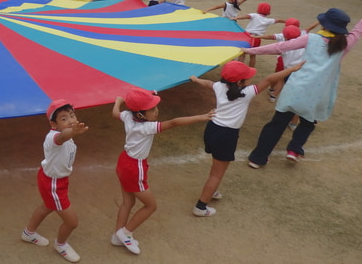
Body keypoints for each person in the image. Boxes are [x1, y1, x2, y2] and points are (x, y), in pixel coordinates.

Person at [244, 8, 362, 168]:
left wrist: (250, 50)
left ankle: (257, 158)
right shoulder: (345, 44)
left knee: (276, 125)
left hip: (296, 89)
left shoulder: (311, 38)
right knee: (308, 123)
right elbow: (358, 30)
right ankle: (294, 149)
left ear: (323, 24)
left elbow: (279, 47)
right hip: (318, 94)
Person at [189, 60, 303, 217]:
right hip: (227, 136)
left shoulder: (219, 86)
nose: (251, 79)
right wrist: (293, 68)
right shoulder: (247, 92)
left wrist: (196, 80)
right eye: (248, 77)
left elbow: (208, 83)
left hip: (212, 130)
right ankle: (201, 207)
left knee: (216, 166)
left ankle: (212, 191)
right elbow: (270, 79)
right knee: (217, 174)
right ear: (239, 81)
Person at [110, 89, 213, 255]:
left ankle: (117, 235)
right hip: (135, 169)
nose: (157, 111)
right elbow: (174, 123)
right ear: (141, 115)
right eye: (152, 109)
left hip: (123, 162)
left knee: (127, 202)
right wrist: (202, 117)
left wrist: (118, 101)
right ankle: (126, 233)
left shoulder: (128, 116)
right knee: (150, 206)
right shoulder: (147, 127)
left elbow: (116, 113)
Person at [21, 100, 88, 263]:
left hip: (55, 180)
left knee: (47, 206)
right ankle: (61, 244)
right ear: (53, 124)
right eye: (64, 118)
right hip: (53, 184)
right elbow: (61, 137)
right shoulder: (53, 138)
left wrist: (70, 132)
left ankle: (28, 233)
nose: (71, 120)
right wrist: (71, 133)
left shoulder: (65, 134)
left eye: (72, 115)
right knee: (72, 222)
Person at [234, 2, 286, 67]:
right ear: (269, 12)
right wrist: (286, 21)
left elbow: (246, 16)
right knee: (253, 55)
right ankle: (251, 69)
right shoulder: (268, 20)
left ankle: (238, 67)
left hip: (247, 37)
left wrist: (236, 18)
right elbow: (278, 20)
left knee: (242, 53)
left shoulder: (254, 15)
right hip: (257, 38)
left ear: (258, 10)